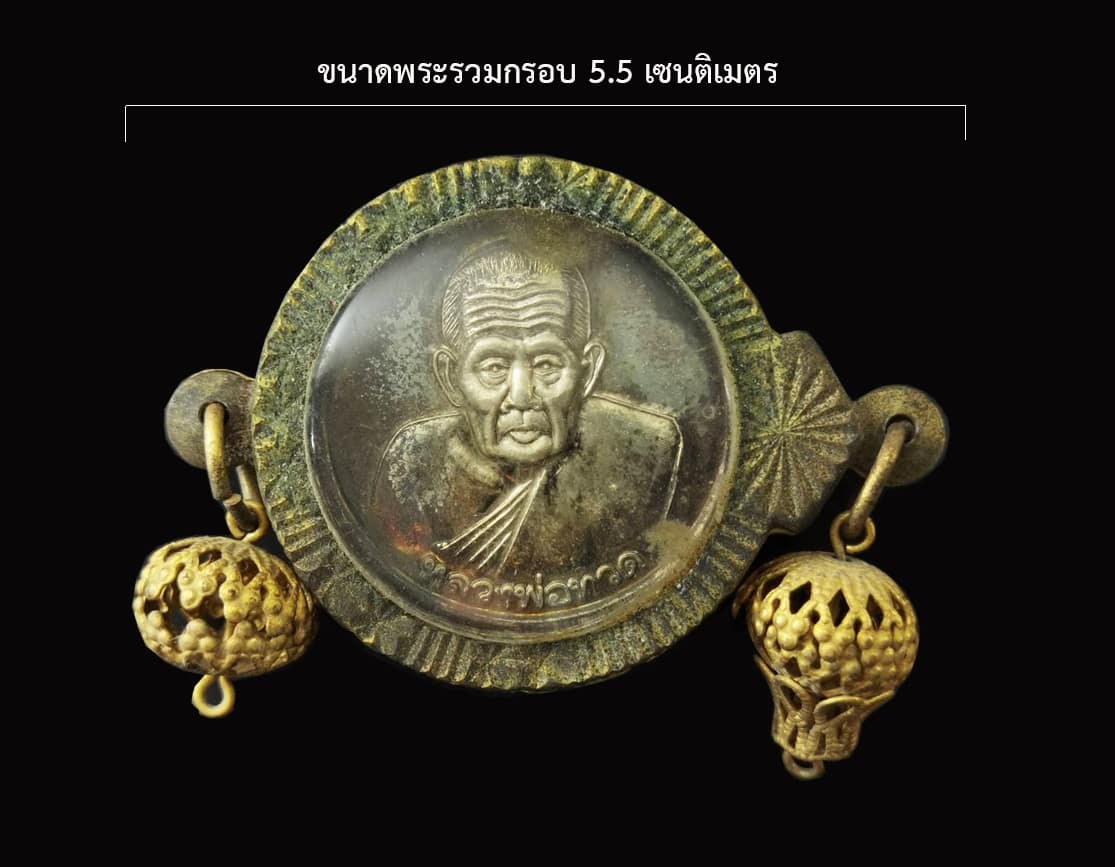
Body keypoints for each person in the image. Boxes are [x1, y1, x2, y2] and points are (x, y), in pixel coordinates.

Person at [371, 243, 681, 586]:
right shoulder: (413, 463)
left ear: (588, 371)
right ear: (449, 377)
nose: (521, 397)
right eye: (493, 366)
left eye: (546, 364)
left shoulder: (645, 451)